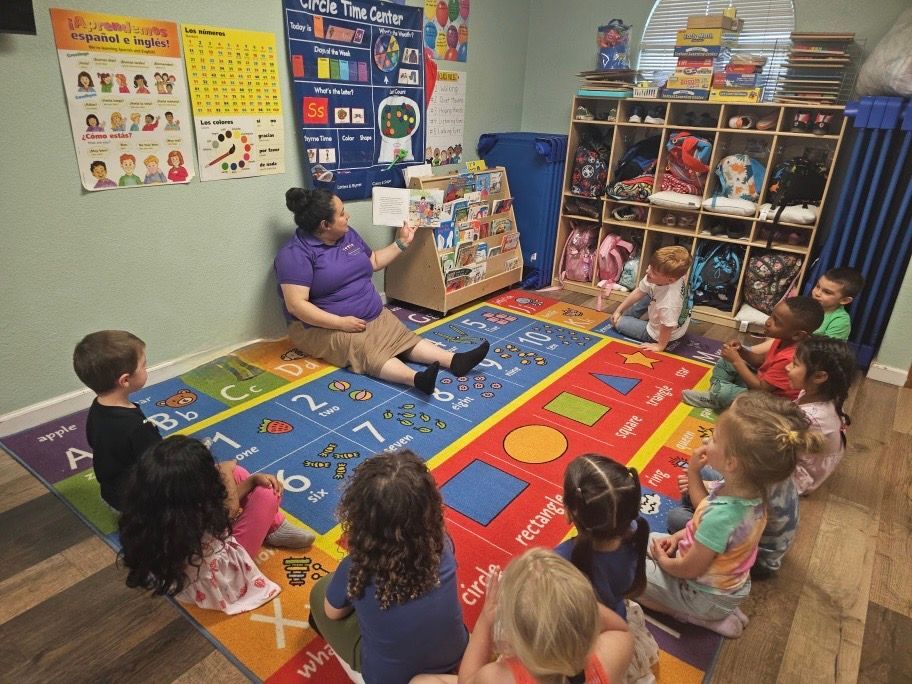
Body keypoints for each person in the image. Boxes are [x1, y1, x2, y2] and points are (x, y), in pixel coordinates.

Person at [642, 392, 823, 637]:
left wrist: (665, 564)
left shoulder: (722, 516)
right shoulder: (753, 492)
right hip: (728, 586)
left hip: (702, 595)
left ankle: (698, 617)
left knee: (632, 578)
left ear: (731, 464)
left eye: (714, 439)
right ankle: (723, 610)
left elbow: (688, 569)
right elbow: (705, 516)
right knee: (652, 538)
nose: (707, 442)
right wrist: (678, 537)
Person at [275, 188, 489, 394]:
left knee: (401, 336)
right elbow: (297, 306)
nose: (347, 216)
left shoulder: (347, 235)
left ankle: (454, 361)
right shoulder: (295, 254)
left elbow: (374, 260)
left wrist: (402, 242)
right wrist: (340, 323)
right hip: (322, 327)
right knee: (366, 348)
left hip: (371, 314)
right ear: (325, 225)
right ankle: (416, 380)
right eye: (341, 214)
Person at [308, 450, 469, 683]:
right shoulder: (443, 543)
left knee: (320, 592)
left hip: (390, 678)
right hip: (455, 652)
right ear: (430, 506)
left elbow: (333, 613)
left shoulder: (356, 567)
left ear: (359, 516)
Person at [118, 435, 315, 615]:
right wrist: (226, 469)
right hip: (220, 575)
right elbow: (230, 510)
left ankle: (273, 527)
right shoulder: (198, 510)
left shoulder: (151, 507)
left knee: (239, 474)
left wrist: (245, 478)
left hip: (186, 563)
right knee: (266, 491)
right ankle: (274, 528)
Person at [414, 548, 634, 684]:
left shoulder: (497, 678)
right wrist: (574, 604)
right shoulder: (615, 652)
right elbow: (619, 628)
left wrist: (485, 619)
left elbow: (467, 680)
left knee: (421, 681)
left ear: (513, 643)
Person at [557, 454, 658, 683]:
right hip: (619, 629)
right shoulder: (637, 533)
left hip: (591, 649)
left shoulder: (559, 563)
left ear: (568, 513)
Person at [682, 296, 823, 410]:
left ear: (797, 335)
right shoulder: (783, 339)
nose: (768, 322)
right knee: (726, 361)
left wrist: (737, 361)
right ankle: (718, 390)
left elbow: (761, 390)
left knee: (724, 391)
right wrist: (741, 352)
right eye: (771, 315)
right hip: (760, 381)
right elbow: (761, 361)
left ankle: (717, 396)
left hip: (769, 400)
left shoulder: (790, 358)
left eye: (777, 322)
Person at [73, 330, 162, 510]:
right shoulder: (137, 428)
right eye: (144, 365)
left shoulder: (96, 408)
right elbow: (159, 464)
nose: (147, 368)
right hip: (138, 503)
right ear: (125, 380)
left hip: (110, 494)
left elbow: (93, 441)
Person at [786, 335, 856, 495]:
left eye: (795, 364)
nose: (787, 367)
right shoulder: (822, 394)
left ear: (819, 377)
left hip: (798, 479)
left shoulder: (812, 417)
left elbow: (776, 439)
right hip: (807, 454)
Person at [748, 267, 864, 359]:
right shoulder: (809, 306)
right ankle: (760, 357)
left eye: (827, 292)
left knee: (782, 337)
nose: (817, 293)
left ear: (844, 300)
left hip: (810, 357)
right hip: (790, 346)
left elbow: (827, 351)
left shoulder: (840, 320)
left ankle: (749, 351)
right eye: (818, 286)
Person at [610, 245, 693, 353]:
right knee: (621, 313)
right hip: (668, 316)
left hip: (661, 334)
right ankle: (631, 317)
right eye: (650, 266)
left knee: (616, 322)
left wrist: (660, 346)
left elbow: (667, 326)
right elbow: (640, 291)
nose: (647, 270)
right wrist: (618, 310)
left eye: (654, 272)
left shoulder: (669, 302)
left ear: (670, 280)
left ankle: (635, 321)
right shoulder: (669, 275)